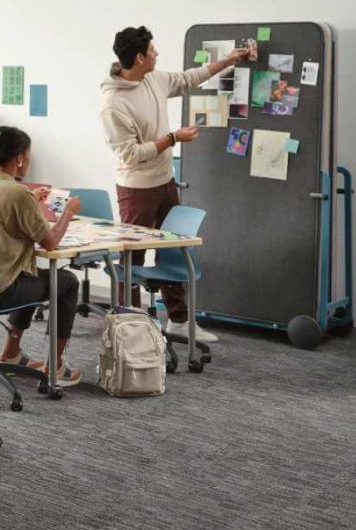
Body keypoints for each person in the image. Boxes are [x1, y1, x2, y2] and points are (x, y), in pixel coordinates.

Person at [100, 26, 250, 343]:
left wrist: (230, 60)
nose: (157, 53)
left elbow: (187, 79)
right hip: (136, 188)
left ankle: (179, 320)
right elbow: (129, 156)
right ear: (139, 57)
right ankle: (124, 325)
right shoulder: (113, 104)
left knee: (173, 248)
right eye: (153, 50)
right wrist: (172, 139)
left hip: (165, 180)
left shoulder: (152, 78)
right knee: (132, 256)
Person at [0, 126, 83, 386]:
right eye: (28, 155)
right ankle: (57, 366)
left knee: (31, 274)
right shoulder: (17, 193)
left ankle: (11, 353)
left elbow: (2, 207)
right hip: (1, 288)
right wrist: (69, 212)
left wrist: (30, 198)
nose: (28, 160)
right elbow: (50, 243)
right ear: (19, 158)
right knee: (66, 282)